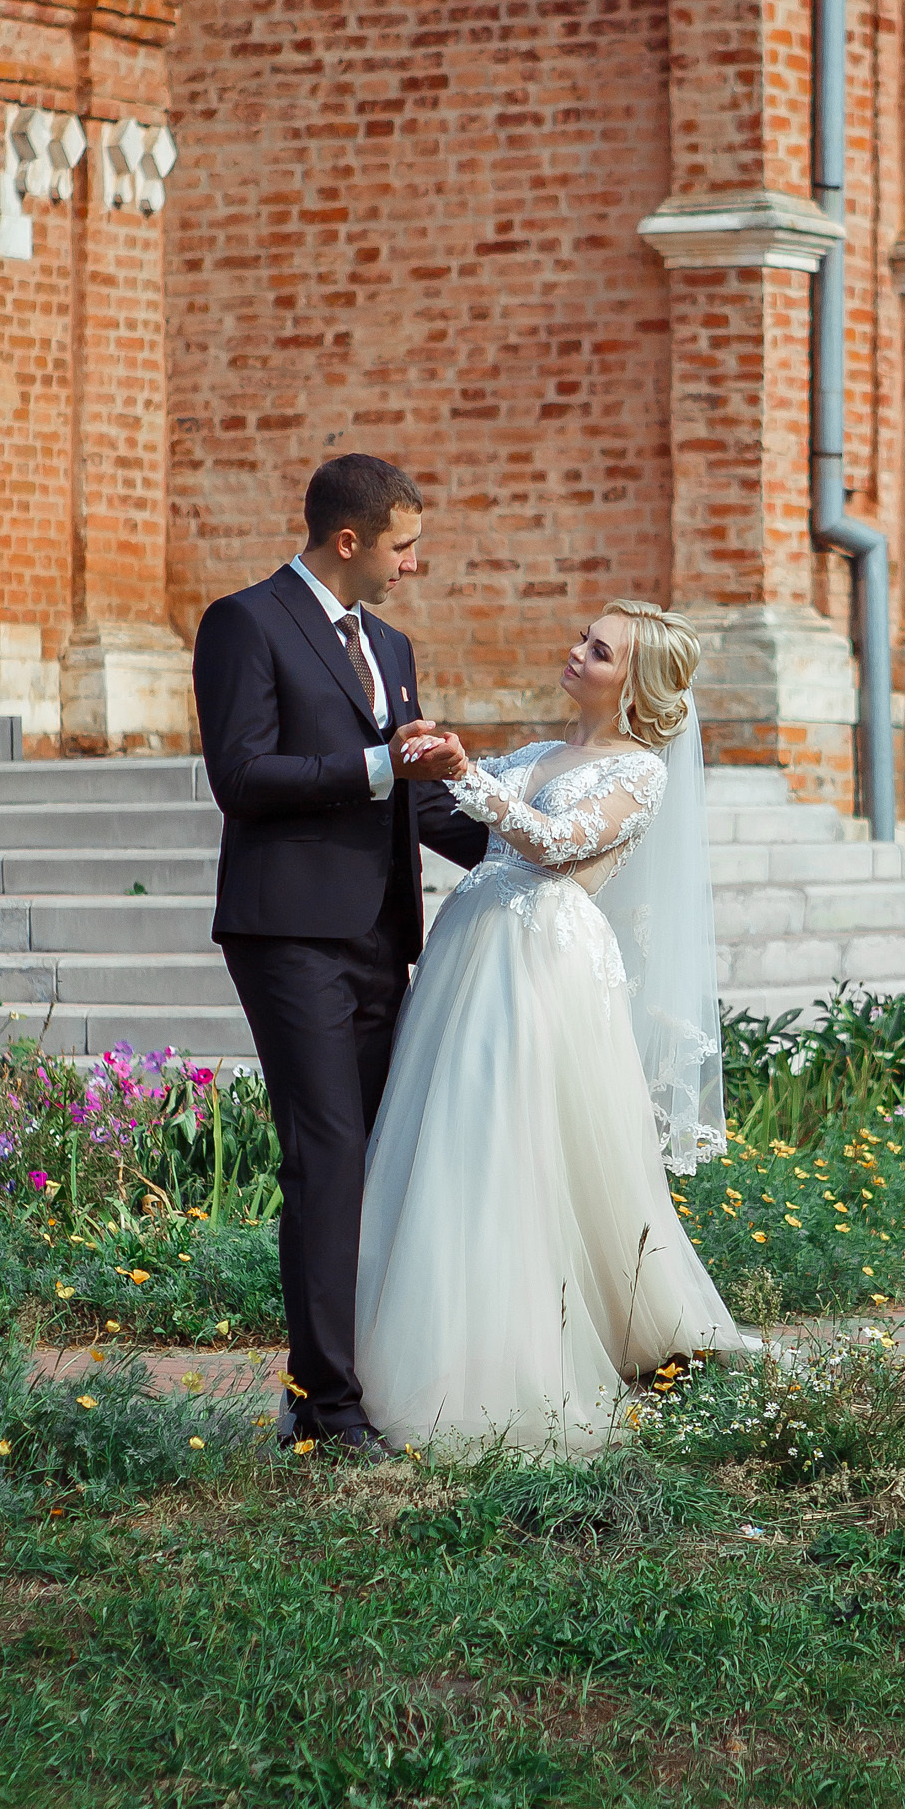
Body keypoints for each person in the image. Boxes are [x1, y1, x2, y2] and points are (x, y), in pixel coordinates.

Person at [355, 597, 753, 1456]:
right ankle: (431, 1333)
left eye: (599, 650)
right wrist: (429, 753)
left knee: (514, 1144)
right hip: (472, 955)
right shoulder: (544, 751)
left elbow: (552, 842)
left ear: (633, 683)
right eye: (584, 637)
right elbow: (481, 796)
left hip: (542, 961)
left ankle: (514, 1361)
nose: (577, 652)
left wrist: (464, 773)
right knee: (454, 1140)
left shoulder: (641, 772)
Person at [190, 453, 487, 1454]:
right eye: (404, 546)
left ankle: (352, 1377)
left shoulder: (392, 645)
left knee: (384, 1156)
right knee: (328, 1160)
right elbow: (241, 774)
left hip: (380, 934)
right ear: (349, 541)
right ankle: (326, 1405)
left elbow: (418, 798)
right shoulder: (246, 622)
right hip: (287, 934)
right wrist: (373, 763)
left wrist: (533, 845)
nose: (415, 564)